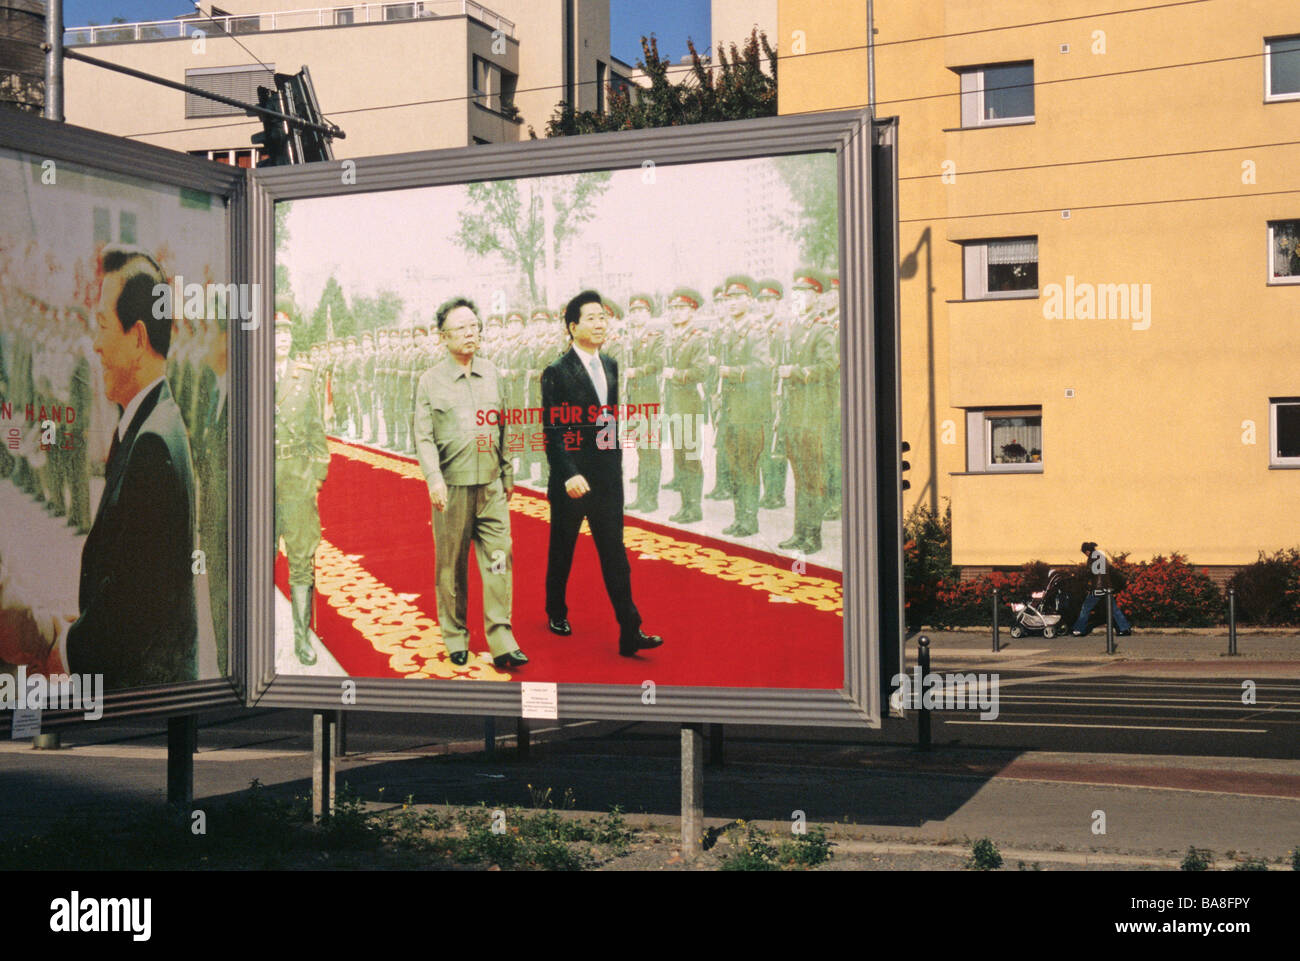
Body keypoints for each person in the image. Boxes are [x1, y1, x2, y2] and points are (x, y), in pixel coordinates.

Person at [0, 247, 199, 689]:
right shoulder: (145, 422)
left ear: (138, 337)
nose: (95, 343)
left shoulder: (152, 443)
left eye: (104, 327)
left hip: (143, 700)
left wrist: (65, 652)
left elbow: (134, 609)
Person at [541, 290, 663, 657]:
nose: (600, 324)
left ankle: (631, 630)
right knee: (563, 550)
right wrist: (568, 474)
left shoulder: (610, 364)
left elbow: (609, 418)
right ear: (572, 326)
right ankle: (556, 611)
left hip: (606, 478)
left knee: (615, 555)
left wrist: (615, 464)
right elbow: (553, 431)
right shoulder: (556, 372)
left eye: (603, 317)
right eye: (591, 318)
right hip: (573, 480)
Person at [412, 297, 526, 670]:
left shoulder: (492, 373)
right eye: (461, 328)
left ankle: (502, 637)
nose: (470, 333)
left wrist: (507, 472)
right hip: (452, 489)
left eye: (475, 325)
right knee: (452, 567)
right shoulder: (429, 381)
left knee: (498, 561)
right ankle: (456, 635)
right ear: (443, 337)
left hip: (491, 489)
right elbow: (424, 436)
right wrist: (434, 479)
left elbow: (505, 425)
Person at [275, 311, 330, 666]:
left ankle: (301, 638)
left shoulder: (304, 376)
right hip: (262, 476)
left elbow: (315, 428)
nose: (282, 339)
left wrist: (319, 474)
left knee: (301, 558)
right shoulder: (250, 373)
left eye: (286, 333)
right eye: (276, 333)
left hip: (296, 473)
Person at [1070, 542, 1133, 636]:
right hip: (1107, 588)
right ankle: (1125, 629)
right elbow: (1112, 571)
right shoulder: (1102, 557)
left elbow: (1090, 572)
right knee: (1114, 609)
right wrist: (1122, 580)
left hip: (1097, 588)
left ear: (1087, 551)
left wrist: (1079, 577)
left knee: (1086, 608)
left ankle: (1078, 630)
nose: (1085, 555)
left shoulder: (1092, 558)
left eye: (1084, 553)